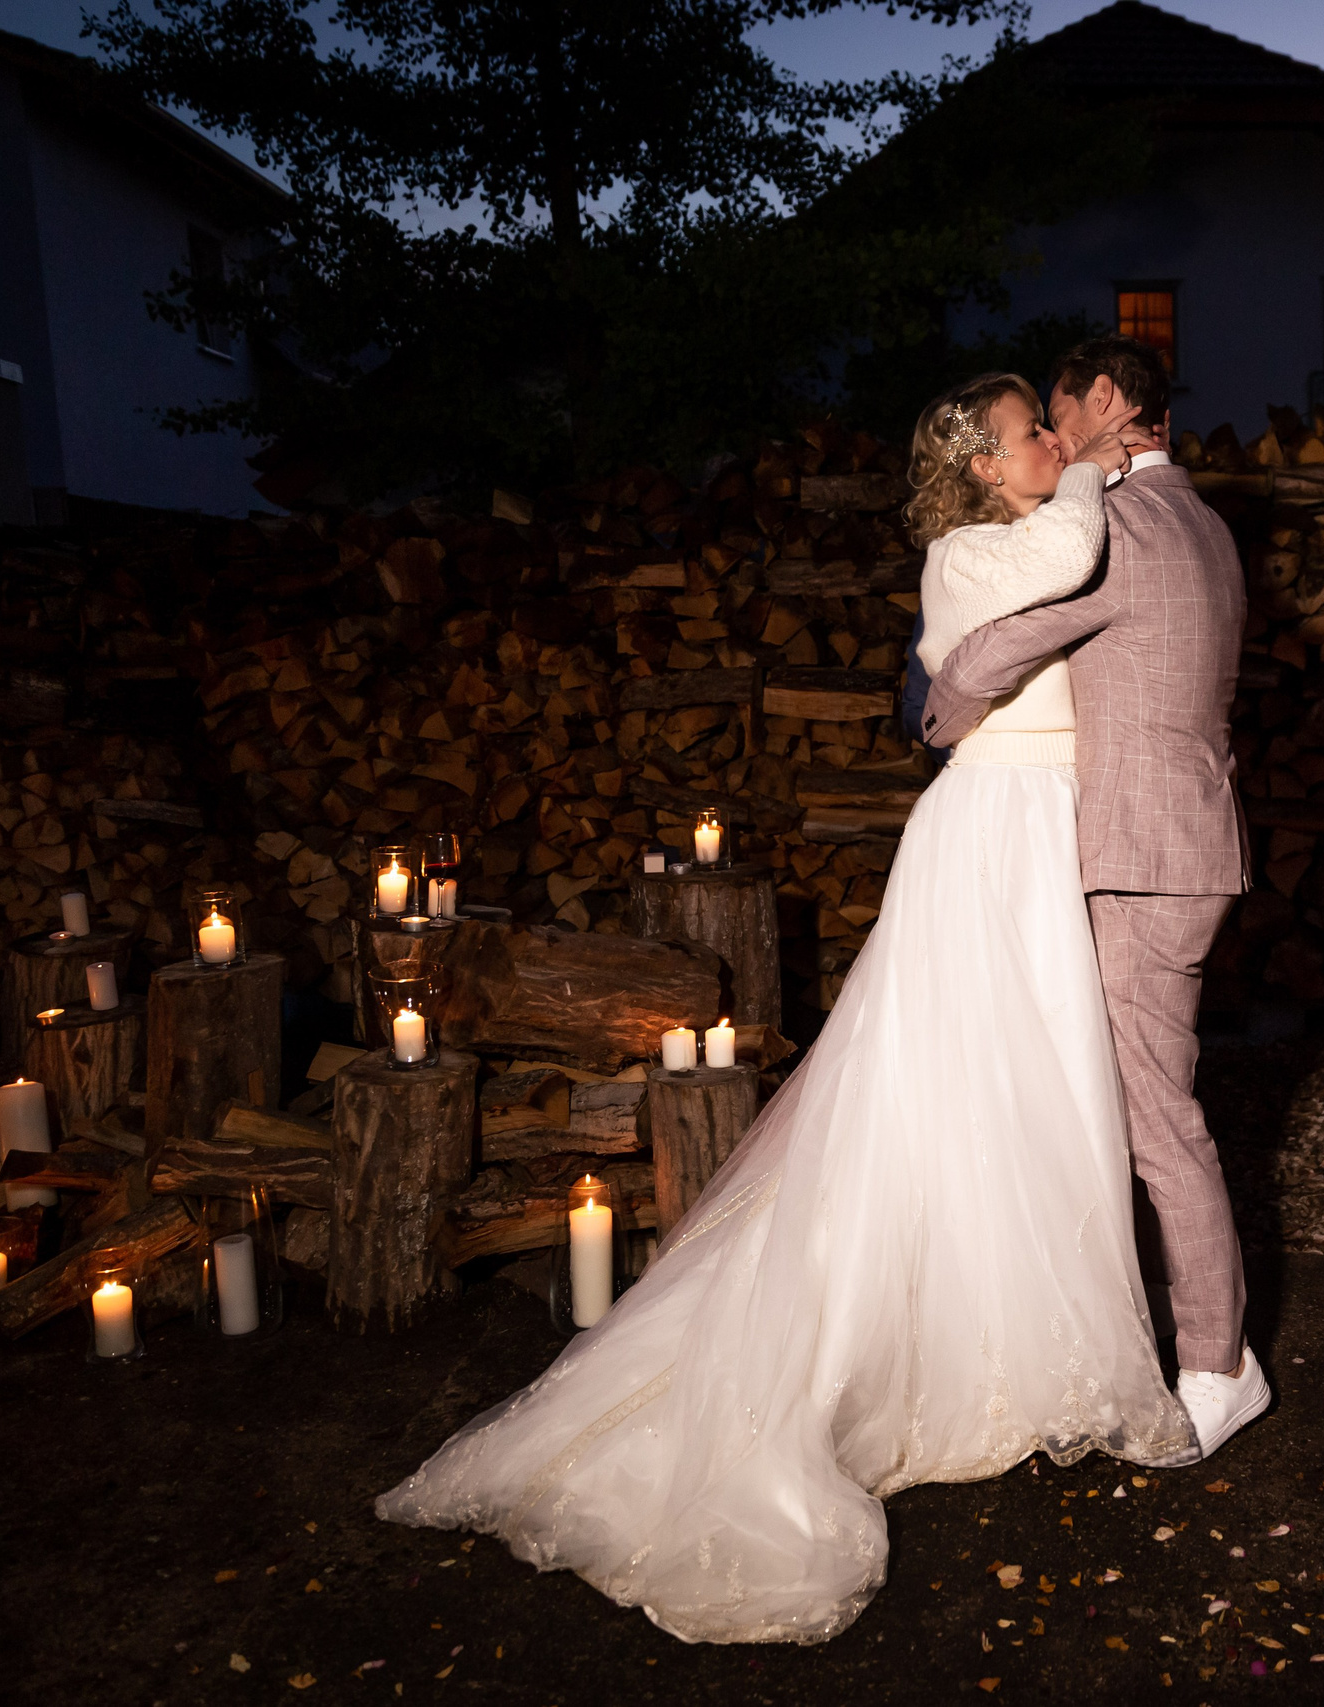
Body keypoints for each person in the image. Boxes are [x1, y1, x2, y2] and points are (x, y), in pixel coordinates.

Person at [375, 372, 1197, 1646]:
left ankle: (1021, 1350)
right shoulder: (968, 552)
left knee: (1035, 1092)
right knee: (962, 1086)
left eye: (1053, 422)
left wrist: (1103, 461)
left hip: (1047, 830)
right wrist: (1096, 456)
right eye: (1031, 429)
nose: (1051, 438)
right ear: (981, 468)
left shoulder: (1011, 534)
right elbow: (1077, 541)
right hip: (996, 835)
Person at [920, 334, 1267, 1458]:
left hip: (1139, 858)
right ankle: (1090, 1333)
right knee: (1109, 1106)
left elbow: (978, 665)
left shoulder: (1120, 530)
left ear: (1108, 398)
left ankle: (1217, 1366)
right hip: (1192, 840)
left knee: (1159, 1125)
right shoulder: (1208, 524)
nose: (1056, 438)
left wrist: (938, 723)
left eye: (1060, 415)